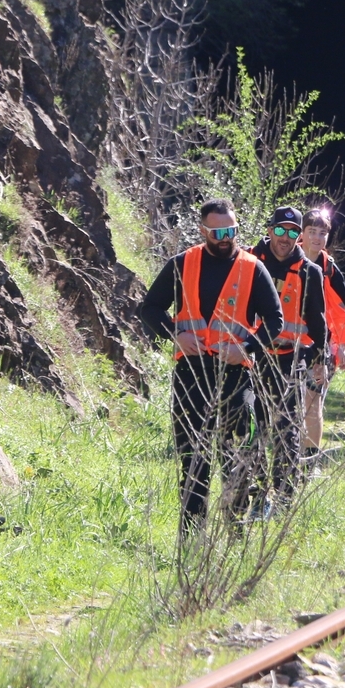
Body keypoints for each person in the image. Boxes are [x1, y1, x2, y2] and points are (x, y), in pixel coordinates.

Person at [140, 199, 282, 530]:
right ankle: (193, 535)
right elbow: (150, 308)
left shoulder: (252, 267)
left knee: (237, 455)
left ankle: (235, 528)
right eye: (217, 232)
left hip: (235, 375)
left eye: (231, 230)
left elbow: (275, 320)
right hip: (191, 373)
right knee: (192, 458)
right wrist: (175, 335)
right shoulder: (182, 263)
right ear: (202, 230)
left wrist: (246, 347)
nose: (224, 238)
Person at [250, 206, 327, 504]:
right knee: (252, 427)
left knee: (287, 429)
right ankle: (256, 495)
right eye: (280, 229)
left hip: (290, 359)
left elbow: (317, 320)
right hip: (250, 357)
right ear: (269, 230)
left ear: (299, 236)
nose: (285, 237)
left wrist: (320, 359)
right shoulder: (248, 261)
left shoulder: (310, 271)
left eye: (292, 231)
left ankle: (284, 499)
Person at [298, 207, 345, 460]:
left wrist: (342, 348)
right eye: (312, 231)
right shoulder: (284, 260)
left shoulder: (330, 269)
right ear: (301, 233)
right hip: (288, 343)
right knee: (288, 404)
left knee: (313, 402)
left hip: (323, 346)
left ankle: (309, 460)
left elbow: (342, 312)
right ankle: (289, 456)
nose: (317, 237)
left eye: (322, 233)